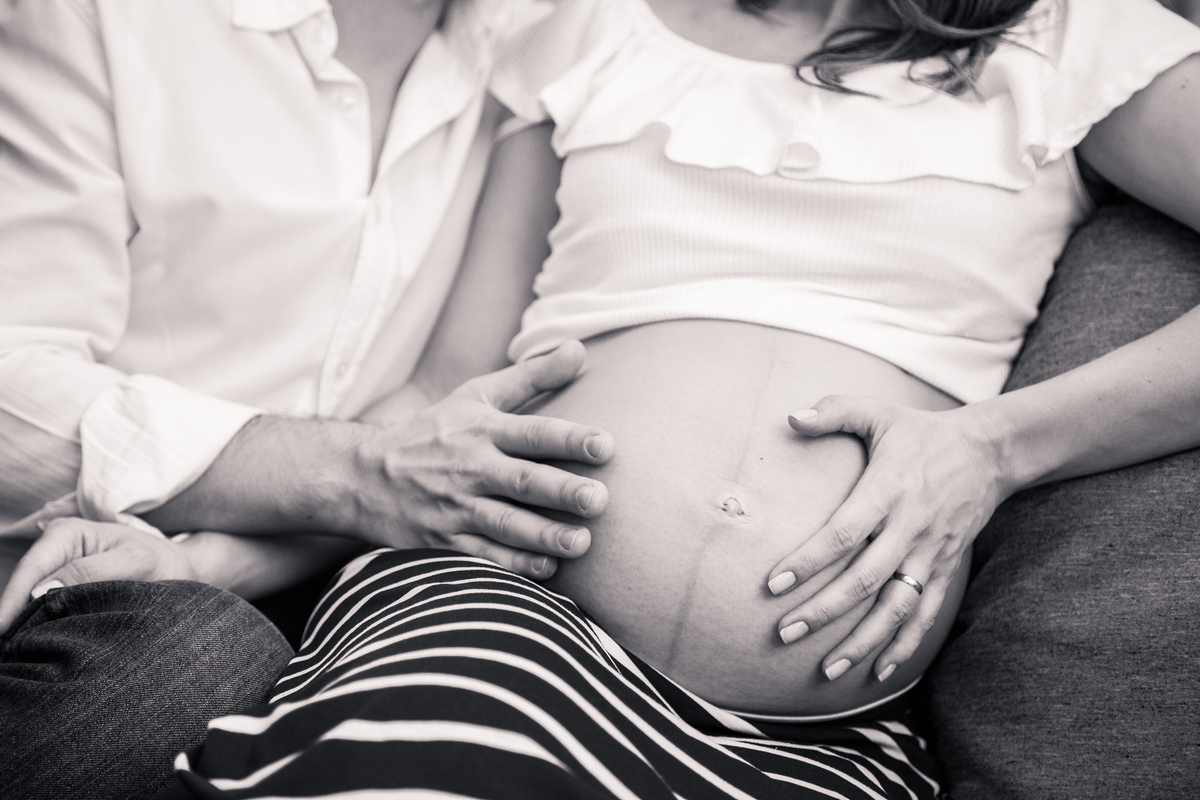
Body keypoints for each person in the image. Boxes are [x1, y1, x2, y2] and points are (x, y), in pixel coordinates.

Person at [146, 0, 1200, 797]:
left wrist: (999, 447)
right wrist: (209, 556)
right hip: (504, 620)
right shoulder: (583, 26)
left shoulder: (1068, 37)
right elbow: (445, 399)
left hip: (821, 733)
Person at [0, 1, 618, 797]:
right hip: (65, 570)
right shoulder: (103, 16)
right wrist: (357, 471)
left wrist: (204, 563)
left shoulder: (542, 53)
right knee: (196, 656)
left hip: (304, 573)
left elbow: (431, 422)